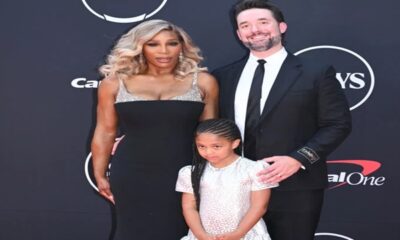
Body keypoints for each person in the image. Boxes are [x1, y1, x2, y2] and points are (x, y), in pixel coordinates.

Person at [212, 1, 352, 239]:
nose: (254, 30)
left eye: (263, 22)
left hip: (295, 186)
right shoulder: (223, 76)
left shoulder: (316, 72)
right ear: (238, 33)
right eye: (245, 25)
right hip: (236, 187)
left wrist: (298, 159)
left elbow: (338, 124)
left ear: (282, 27)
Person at [91, 19, 218, 239]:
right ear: (139, 47)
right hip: (132, 172)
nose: (164, 51)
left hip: (185, 172)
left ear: (182, 46)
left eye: (172, 43)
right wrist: (100, 173)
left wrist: (214, 175)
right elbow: (105, 131)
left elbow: (212, 134)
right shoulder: (114, 83)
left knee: (182, 230)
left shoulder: (204, 82)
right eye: (153, 44)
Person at [176, 119, 278, 240]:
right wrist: (201, 235)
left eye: (216, 146)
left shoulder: (253, 169)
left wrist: (239, 233)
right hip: (205, 235)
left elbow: (259, 206)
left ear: (234, 143)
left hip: (245, 233)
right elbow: (189, 207)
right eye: (202, 146)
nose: (208, 152)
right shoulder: (191, 172)